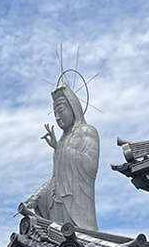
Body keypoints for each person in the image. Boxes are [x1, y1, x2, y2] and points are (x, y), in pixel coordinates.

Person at [25, 82, 99, 230]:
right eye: (55, 114)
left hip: (76, 204)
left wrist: (59, 148)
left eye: (60, 111)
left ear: (73, 108)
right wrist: (38, 195)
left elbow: (90, 166)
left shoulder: (88, 131)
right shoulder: (61, 141)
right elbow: (56, 177)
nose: (58, 118)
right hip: (56, 203)